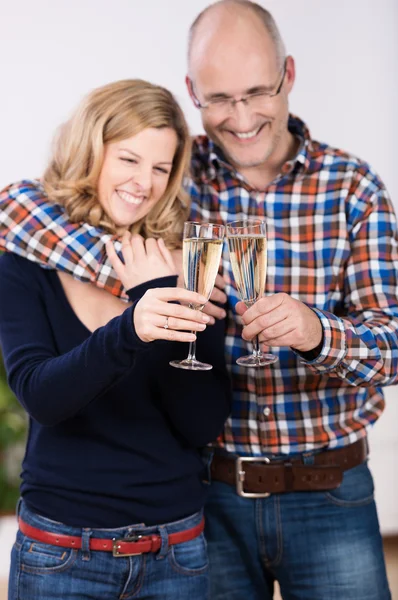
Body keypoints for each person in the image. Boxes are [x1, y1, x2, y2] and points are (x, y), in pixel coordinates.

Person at [0, 1, 398, 598]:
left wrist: (317, 333)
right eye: (218, 99)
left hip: (329, 488)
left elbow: (392, 351)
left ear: (288, 75)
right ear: (194, 92)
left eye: (256, 92)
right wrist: (144, 284)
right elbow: (19, 207)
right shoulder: (173, 170)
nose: (240, 117)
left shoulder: (352, 187)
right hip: (208, 493)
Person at [0, 79, 232, 600]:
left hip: (175, 550)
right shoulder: (24, 263)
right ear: (90, 152)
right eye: (128, 159)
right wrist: (131, 326)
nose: (143, 182)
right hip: (58, 553)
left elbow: (201, 424)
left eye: (160, 167)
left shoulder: (188, 266)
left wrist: (159, 299)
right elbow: (42, 396)